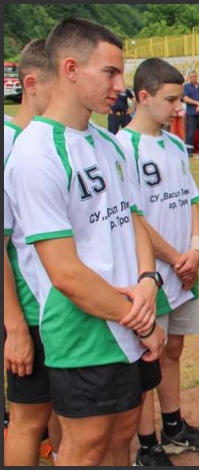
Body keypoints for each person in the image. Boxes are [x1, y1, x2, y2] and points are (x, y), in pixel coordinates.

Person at [4, 18, 165, 466]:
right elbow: (66, 273)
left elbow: (132, 220)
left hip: (131, 315)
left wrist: (149, 281)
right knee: (85, 447)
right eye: (110, 73)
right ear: (71, 69)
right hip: (84, 330)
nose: (121, 85)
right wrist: (145, 323)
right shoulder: (35, 154)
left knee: (124, 436)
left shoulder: (109, 144)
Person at [117, 58, 199, 466]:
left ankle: (174, 427)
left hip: (185, 270)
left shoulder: (176, 144)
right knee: (150, 357)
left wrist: (195, 249)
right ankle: (148, 447)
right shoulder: (122, 148)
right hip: (153, 275)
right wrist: (174, 257)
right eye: (171, 100)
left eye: (180, 99)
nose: (180, 108)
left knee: (174, 349)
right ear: (143, 97)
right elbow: (134, 217)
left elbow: (192, 201)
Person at [4, 38, 60, 467]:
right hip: (29, 309)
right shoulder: (9, 143)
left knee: (59, 411)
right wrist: (16, 327)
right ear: (33, 83)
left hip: (56, 309)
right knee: (27, 416)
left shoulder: (48, 140)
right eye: (57, 86)